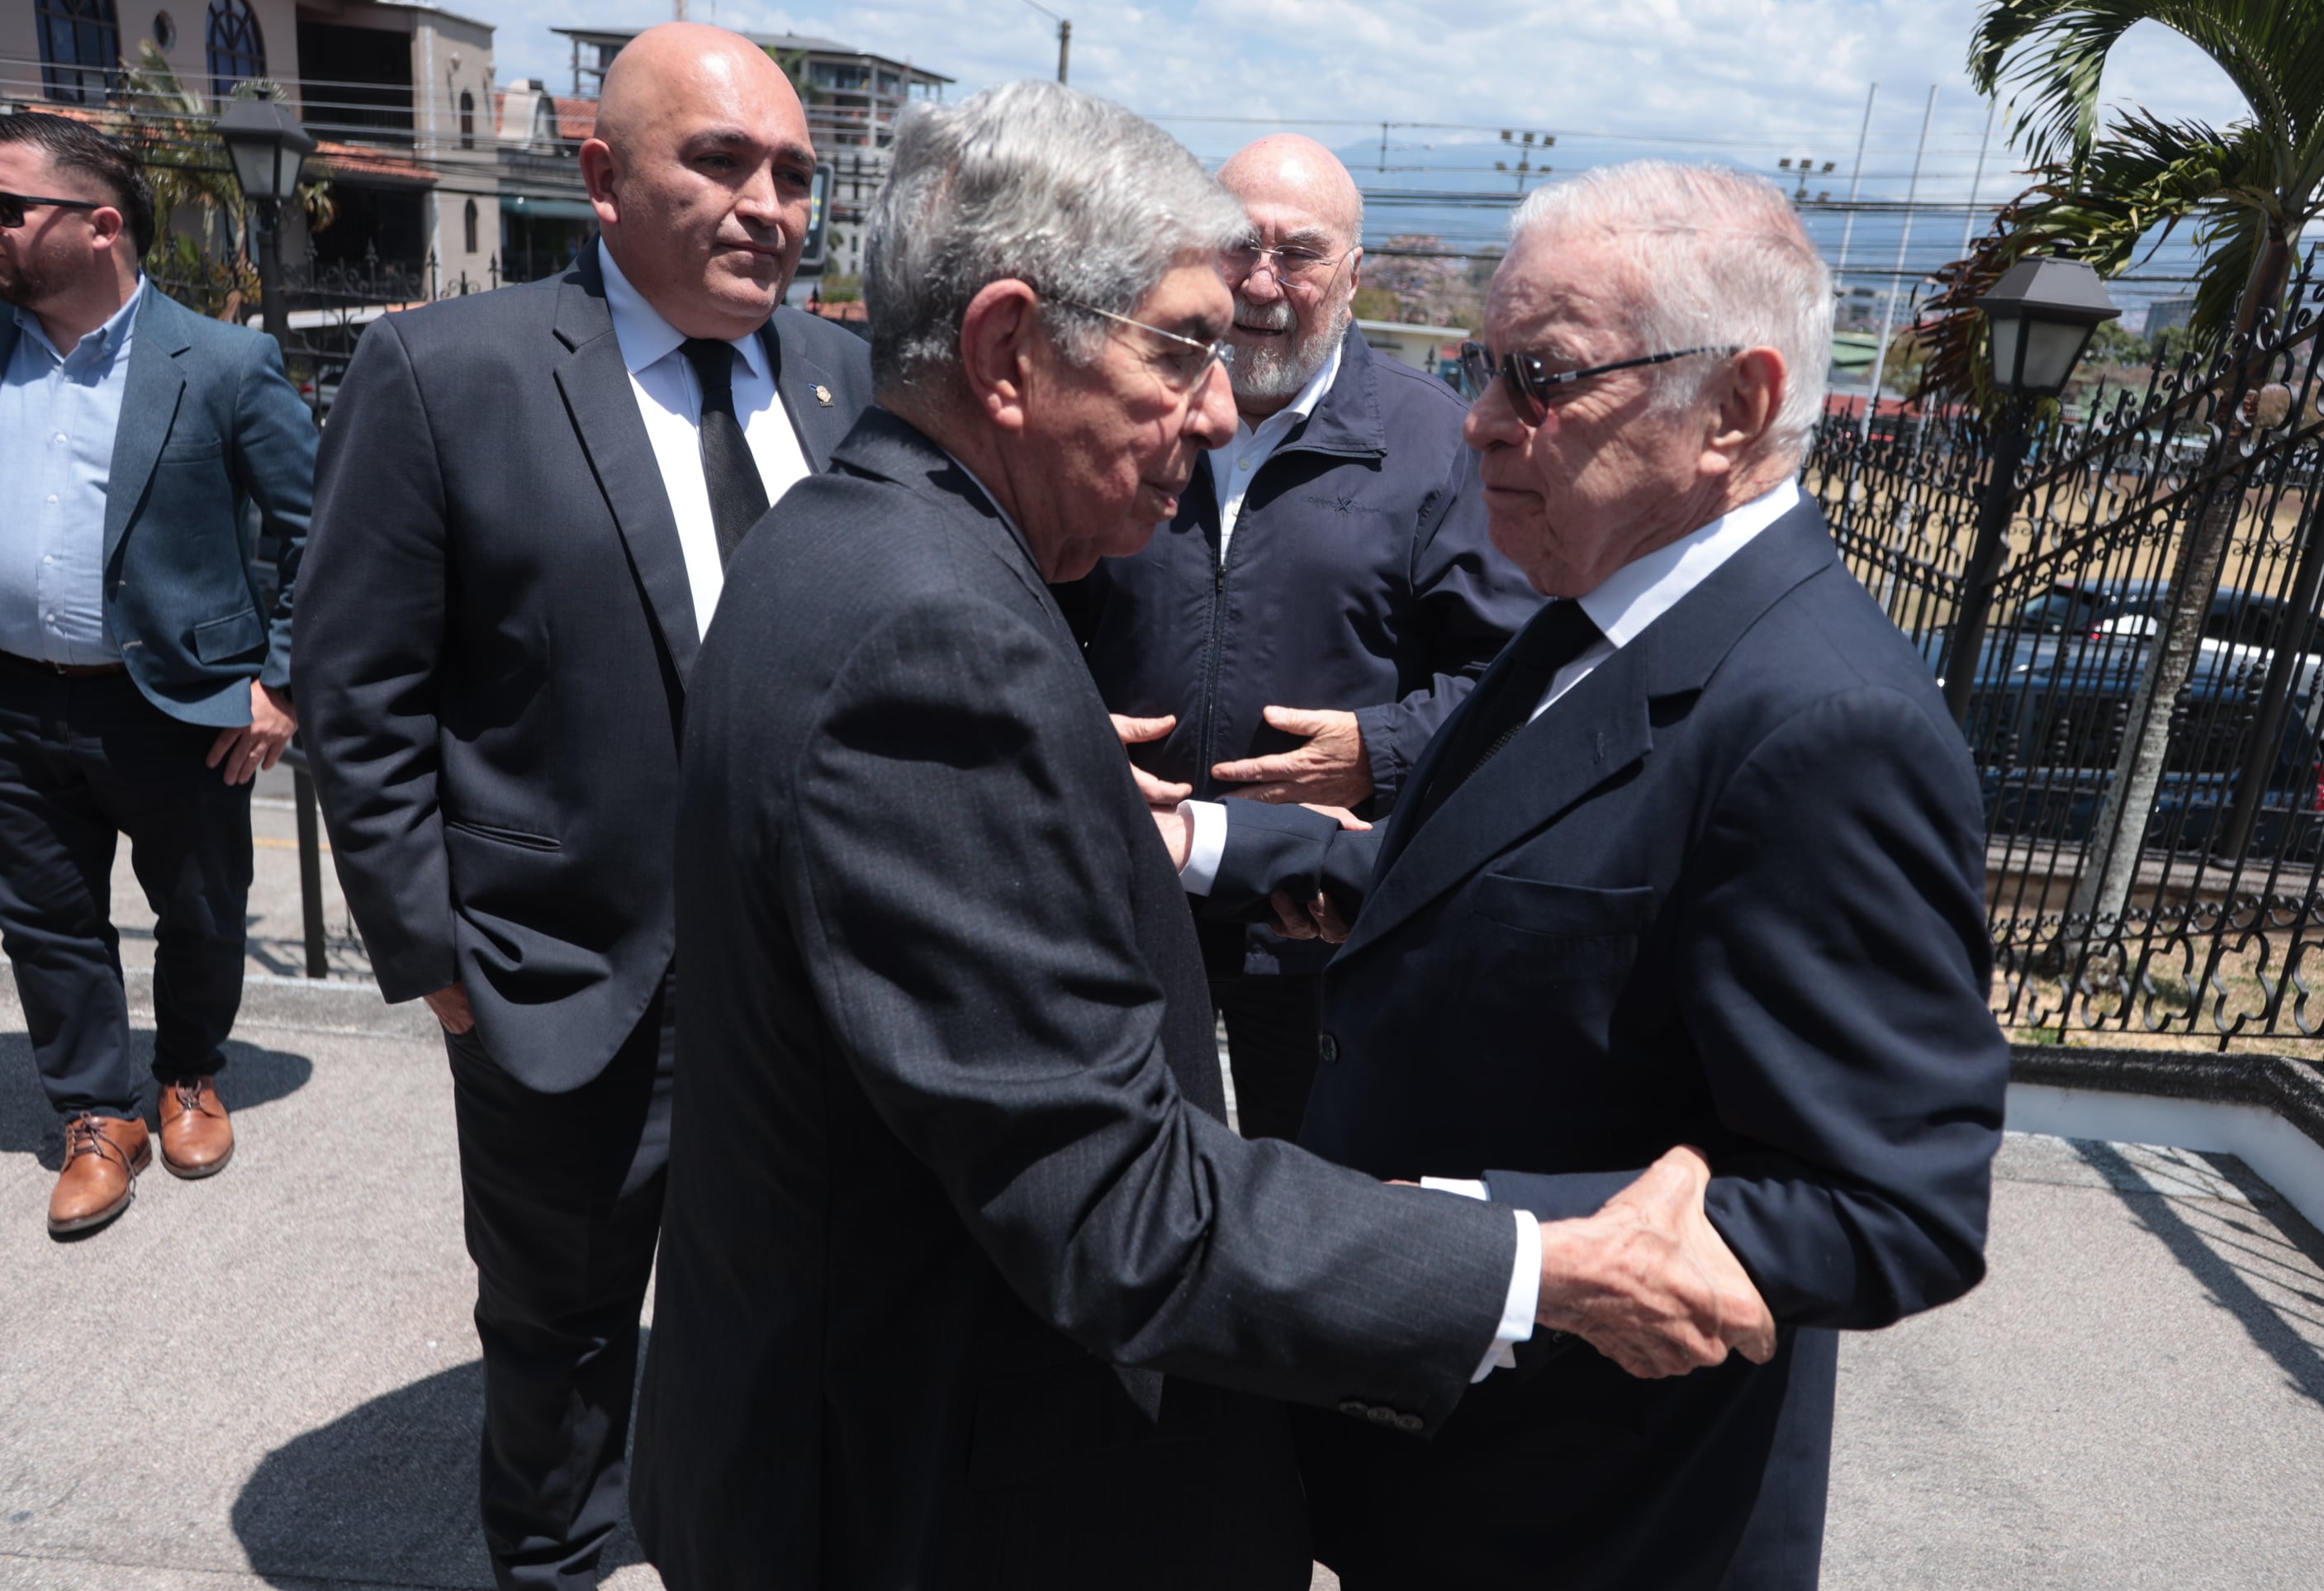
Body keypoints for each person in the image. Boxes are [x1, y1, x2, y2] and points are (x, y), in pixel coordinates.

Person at [629, 82, 1778, 1591]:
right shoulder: (931, 635)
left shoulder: (853, 544)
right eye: (1182, 347)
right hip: (930, 1493)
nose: (1222, 407)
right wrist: (1548, 1266)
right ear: (1007, 350)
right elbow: (1119, 1204)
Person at [1177, 162, 2011, 1590]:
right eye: (1479, 368)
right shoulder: (1588, 616)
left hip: (1599, 1518)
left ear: (1734, 410)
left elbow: (1896, 1203)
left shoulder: (1820, 723)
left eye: (1541, 376)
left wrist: (1461, 1228)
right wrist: (1199, 840)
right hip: (1446, 1470)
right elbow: (1486, 886)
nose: (1482, 420)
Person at [292, 25, 872, 1591]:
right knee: (557, 1323)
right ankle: (551, 1555)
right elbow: (359, 688)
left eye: (797, 174)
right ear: (602, 173)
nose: (770, 205)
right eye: (724, 161)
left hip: (821, 985)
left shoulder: (842, 377)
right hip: (571, 976)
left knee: (795, 1303)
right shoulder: (446, 372)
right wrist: (437, 955)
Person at [1061, 134, 1537, 1141]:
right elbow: (1033, 596)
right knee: (1118, 1196)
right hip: (1121, 898)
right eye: (1240, 244)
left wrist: (1382, 750)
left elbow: (1513, 672)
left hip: (1318, 918)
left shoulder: (1429, 447)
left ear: (1355, 276)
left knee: (1309, 1212)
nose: (1265, 280)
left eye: (1302, 253)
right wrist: (1063, 720)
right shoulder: (1123, 409)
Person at [0, 112, 315, 1238]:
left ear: (98, 226)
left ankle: (187, 1073)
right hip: (17, 700)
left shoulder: (223, 362)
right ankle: (97, 1116)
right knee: (45, 921)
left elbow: (314, 527)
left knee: (200, 909)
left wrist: (280, 683)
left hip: (178, 699)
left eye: (9, 207)